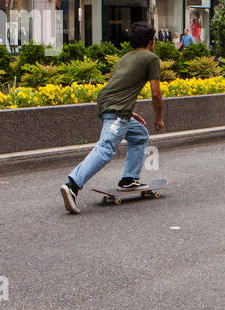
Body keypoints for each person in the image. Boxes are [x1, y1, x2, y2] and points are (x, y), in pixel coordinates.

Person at [60, 21, 164, 214]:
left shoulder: (125, 58)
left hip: (109, 105)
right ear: (151, 41)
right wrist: (159, 117)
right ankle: (73, 185)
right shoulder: (151, 58)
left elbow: (117, 87)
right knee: (106, 147)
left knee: (139, 134)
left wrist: (128, 111)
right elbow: (156, 93)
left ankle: (129, 179)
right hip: (117, 111)